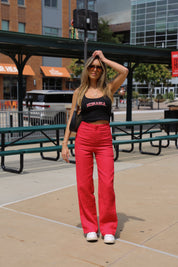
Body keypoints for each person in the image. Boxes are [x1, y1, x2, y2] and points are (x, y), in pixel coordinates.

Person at [62, 50, 128, 244]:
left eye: (98, 67)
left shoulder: (109, 88)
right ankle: (90, 227)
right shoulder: (79, 92)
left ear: (102, 70)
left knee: (106, 184)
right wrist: (65, 144)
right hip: (83, 137)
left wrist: (104, 58)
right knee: (84, 185)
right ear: (87, 69)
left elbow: (124, 71)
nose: (95, 69)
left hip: (104, 139)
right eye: (91, 66)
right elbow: (71, 119)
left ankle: (108, 228)